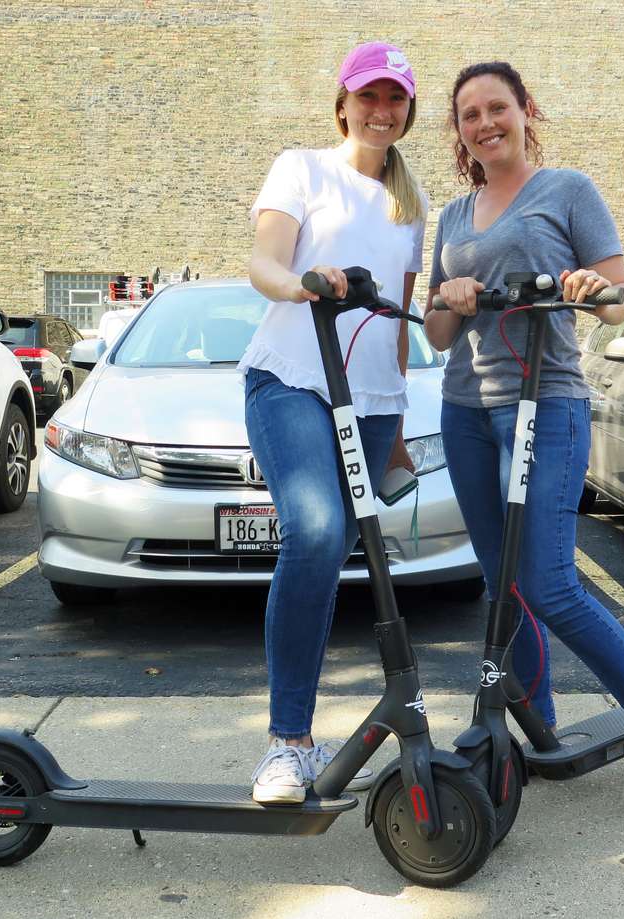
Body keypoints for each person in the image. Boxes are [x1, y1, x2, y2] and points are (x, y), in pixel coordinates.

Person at [423, 61, 624, 825]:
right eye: (469, 114)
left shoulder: (568, 191)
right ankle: (534, 720)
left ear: (525, 112)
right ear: (459, 131)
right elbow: (438, 331)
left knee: (547, 584)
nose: (485, 123)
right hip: (468, 411)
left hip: (547, 404)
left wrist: (588, 286)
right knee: (500, 587)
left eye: (497, 108)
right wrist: (447, 299)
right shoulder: (452, 216)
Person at [240, 42, 426, 805]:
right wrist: (304, 284)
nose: (382, 110)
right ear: (342, 102)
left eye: (396, 98)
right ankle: (289, 743)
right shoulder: (302, 168)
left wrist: (404, 420)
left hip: (373, 402)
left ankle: (392, 720)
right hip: (290, 378)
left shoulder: (412, 207)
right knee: (315, 533)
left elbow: (399, 328)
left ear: (407, 109)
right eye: (369, 95)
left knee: (353, 555)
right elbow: (263, 262)